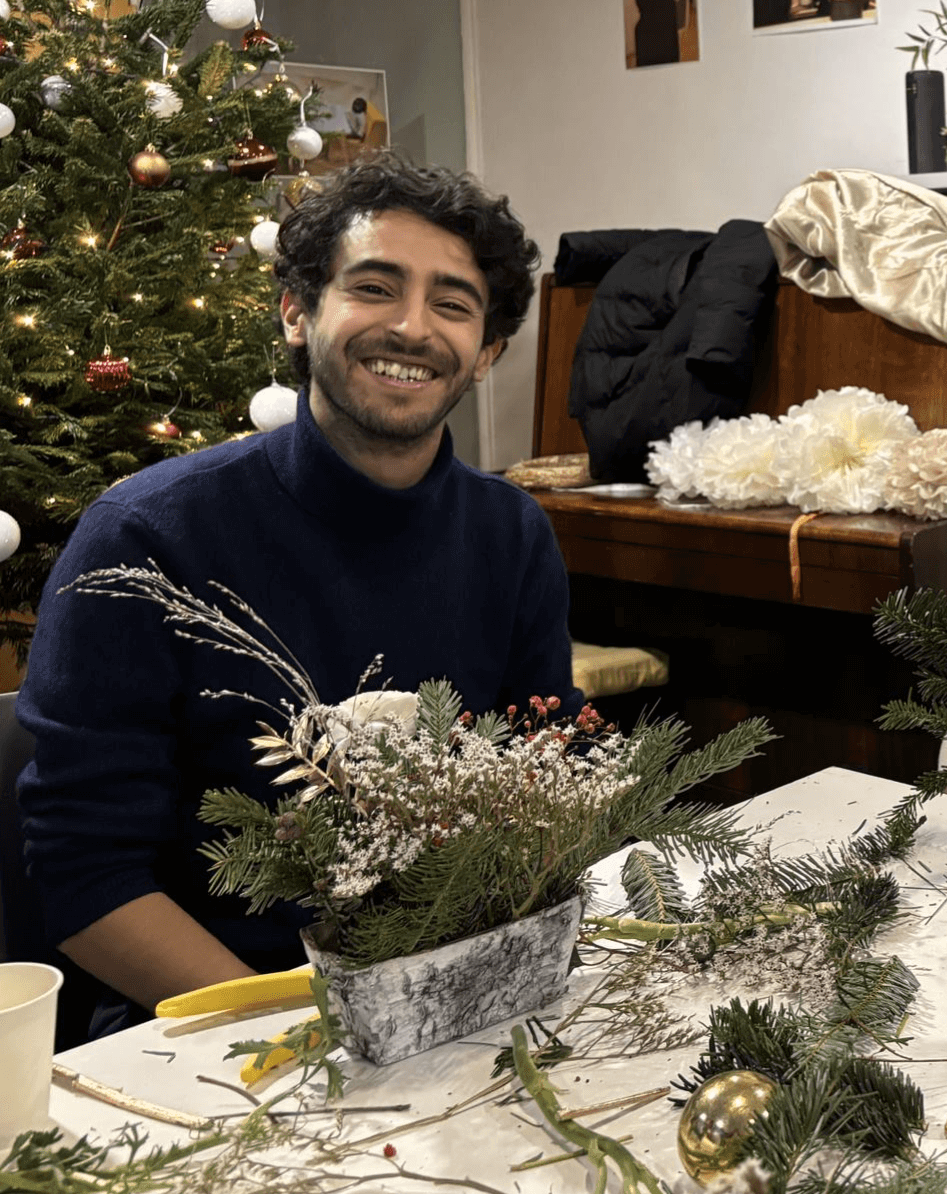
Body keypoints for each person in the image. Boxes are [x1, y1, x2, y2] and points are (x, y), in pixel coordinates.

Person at [15, 156, 578, 1027]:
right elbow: (85, 877)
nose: (411, 327)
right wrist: (314, 1025)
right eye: (375, 286)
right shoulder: (144, 535)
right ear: (297, 310)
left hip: (458, 994)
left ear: (486, 354)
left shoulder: (512, 533)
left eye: (452, 304)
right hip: (222, 1021)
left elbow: (548, 788)